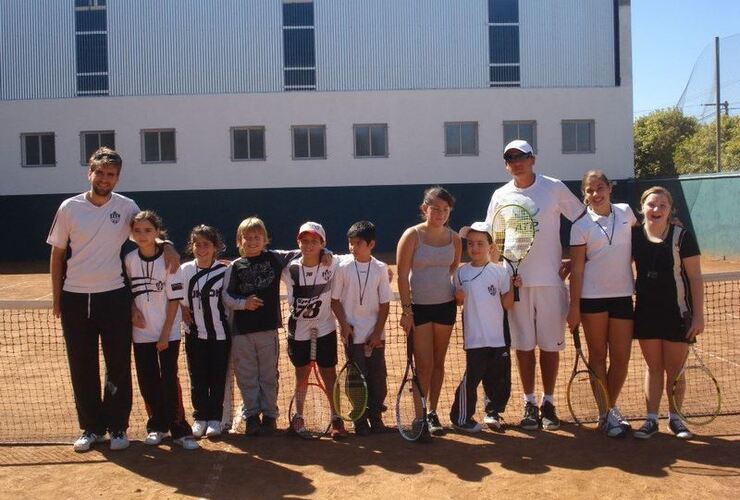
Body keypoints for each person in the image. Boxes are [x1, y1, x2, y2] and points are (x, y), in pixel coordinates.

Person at [47, 147, 177, 452]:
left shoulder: (127, 206)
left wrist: (168, 245)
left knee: (117, 364)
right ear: (90, 172)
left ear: (117, 177)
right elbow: (57, 254)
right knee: (82, 365)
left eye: (112, 174)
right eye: (101, 172)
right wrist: (57, 299)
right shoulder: (69, 208)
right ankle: (92, 428)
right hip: (75, 298)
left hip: (115, 296)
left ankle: (118, 427)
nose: (105, 179)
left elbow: (147, 232)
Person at [485, 140, 584, 431]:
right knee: (523, 347)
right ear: (506, 164)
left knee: (549, 346)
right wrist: (496, 277)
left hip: (551, 283)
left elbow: (581, 220)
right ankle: (529, 402)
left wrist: (574, 260)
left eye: (522, 157)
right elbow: (493, 239)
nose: (517, 162)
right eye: (510, 158)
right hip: (515, 284)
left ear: (533, 159)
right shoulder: (500, 195)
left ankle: (548, 402)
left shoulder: (553, 187)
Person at [567, 170, 636, 437]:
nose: (595, 194)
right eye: (589, 190)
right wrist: (574, 307)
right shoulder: (580, 225)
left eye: (599, 188)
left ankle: (609, 408)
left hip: (622, 296)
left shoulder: (627, 213)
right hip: (591, 299)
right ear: (584, 195)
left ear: (609, 188)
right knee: (598, 356)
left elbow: (641, 244)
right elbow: (578, 269)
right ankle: (606, 413)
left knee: (621, 358)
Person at [631, 186, 703, 440]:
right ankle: (651, 419)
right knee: (653, 366)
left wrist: (698, 316)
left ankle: (676, 418)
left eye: (662, 205)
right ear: (642, 207)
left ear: (670, 209)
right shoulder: (634, 236)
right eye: (651, 204)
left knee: (675, 369)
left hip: (677, 313)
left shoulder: (682, 236)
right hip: (646, 313)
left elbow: (694, 277)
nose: (656, 209)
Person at [124, 211, 198, 450]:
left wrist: (166, 333)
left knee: (169, 379)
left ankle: (180, 429)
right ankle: (156, 426)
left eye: (148, 230)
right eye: (137, 231)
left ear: (157, 232)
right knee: (148, 380)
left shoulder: (169, 260)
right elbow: (128, 293)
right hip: (141, 333)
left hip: (168, 331)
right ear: (132, 234)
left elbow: (174, 300)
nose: (142, 235)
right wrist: (133, 309)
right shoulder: (129, 260)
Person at [221, 217, 302, 436]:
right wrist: (243, 304)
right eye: (247, 237)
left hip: (267, 330)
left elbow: (302, 251)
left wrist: (327, 254)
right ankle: (251, 416)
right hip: (241, 332)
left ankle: (269, 416)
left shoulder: (275, 258)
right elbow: (226, 296)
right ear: (240, 240)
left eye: (257, 237)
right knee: (246, 375)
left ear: (265, 239)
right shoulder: (235, 267)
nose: (253, 241)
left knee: (268, 375)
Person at [396, 186, 462, 435]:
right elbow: (402, 276)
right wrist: (406, 310)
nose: (440, 213)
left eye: (445, 210)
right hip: (419, 310)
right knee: (423, 365)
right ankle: (419, 416)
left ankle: (432, 413)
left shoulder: (455, 238)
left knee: (438, 363)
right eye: (435, 209)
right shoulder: (412, 236)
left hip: (445, 308)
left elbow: (453, 269)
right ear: (425, 209)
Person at [449, 222, 519, 433]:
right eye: (470, 244)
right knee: (471, 379)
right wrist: (458, 297)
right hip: (475, 338)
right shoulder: (461, 273)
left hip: (498, 338)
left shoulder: (500, 273)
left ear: (490, 246)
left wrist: (514, 289)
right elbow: (459, 301)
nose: (475, 248)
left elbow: (506, 305)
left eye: (480, 243)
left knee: (498, 379)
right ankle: (460, 417)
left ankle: (492, 413)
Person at [282, 222, 347, 438]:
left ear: (323, 243)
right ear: (298, 242)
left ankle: (336, 418)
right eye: (305, 241)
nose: (309, 245)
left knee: (329, 374)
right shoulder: (289, 268)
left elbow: (359, 258)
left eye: (315, 241)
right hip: (298, 329)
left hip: (325, 327)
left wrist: (386, 272)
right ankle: (298, 416)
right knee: (301, 375)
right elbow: (265, 255)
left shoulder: (333, 263)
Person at [331, 221, 392, 435]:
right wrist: (344, 326)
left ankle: (375, 418)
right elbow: (335, 300)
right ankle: (359, 418)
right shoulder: (343, 267)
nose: (352, 248)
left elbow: (385, 304)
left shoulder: (381, 269)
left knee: (378, 378)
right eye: (350, 243)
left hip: (375, 336)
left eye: (358, 243)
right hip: (353, 335)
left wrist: (377, 333)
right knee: (356, 379)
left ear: (371, 244)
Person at [174, 225, 231, 439]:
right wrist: (182, 307)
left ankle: (215, 418)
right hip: (194, 335)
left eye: (206, 244)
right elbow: (179, 298)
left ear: (215, 247)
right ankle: (200, 417)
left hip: (220, 336)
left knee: (217, 378)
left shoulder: (224, 272)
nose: (201, 248)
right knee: (198, 378)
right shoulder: (186, 269)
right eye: (197, 244)